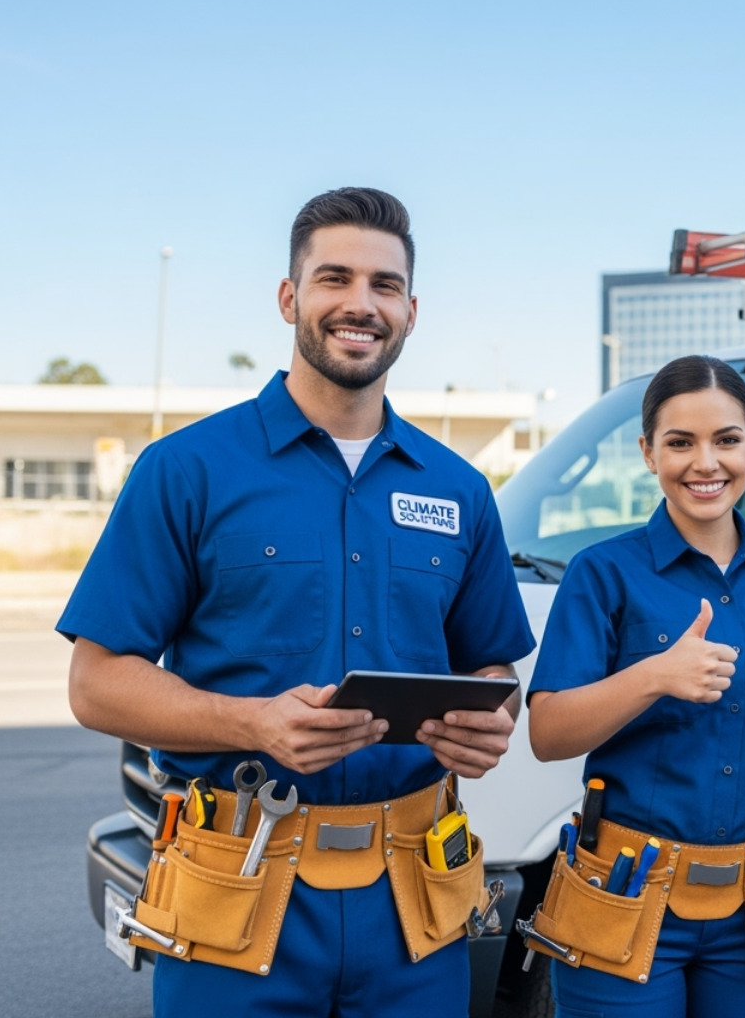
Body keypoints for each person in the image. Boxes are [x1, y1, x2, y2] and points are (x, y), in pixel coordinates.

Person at [60, 187, 533, 1018]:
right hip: (234, 894)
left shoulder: (459, 491)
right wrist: (253, 723)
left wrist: (490, 720)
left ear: (412, 311)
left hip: (411, 905)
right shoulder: (187, 471)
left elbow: (489, 663)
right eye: (335, 278)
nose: (361, 304)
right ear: (290, 297)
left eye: (385, 285)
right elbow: (97, 684)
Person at [526, 354, 745, 1018]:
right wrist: (654, 676)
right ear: (648, 453)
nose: (706, 463)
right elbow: (548, 732)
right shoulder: (602, 575)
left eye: (726, 439)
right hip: (628, 895)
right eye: (680, 442)